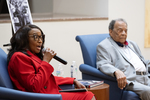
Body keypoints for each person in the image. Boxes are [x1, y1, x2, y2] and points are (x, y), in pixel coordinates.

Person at [7, 24, 96, 100]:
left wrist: (72, 80)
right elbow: (34, 86)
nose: (40, 41)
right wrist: (45, 61)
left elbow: (48, 79)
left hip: (47, 94)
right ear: (23, 39)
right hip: (39, 97)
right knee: (87, 96)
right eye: (35, 37)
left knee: (86, 94)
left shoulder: (32, 56)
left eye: (41, 37)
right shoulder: (19, 57)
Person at [96, 18, 150, 100]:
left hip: (146, 76)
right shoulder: (104, 46)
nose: (124, 33)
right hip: (131, 80)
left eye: (126, 31)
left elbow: (142, 61)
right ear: (110, 31)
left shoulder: (132, 44)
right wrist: (116, 71)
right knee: (148, 91)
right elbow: (103, 64)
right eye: (120, 30)